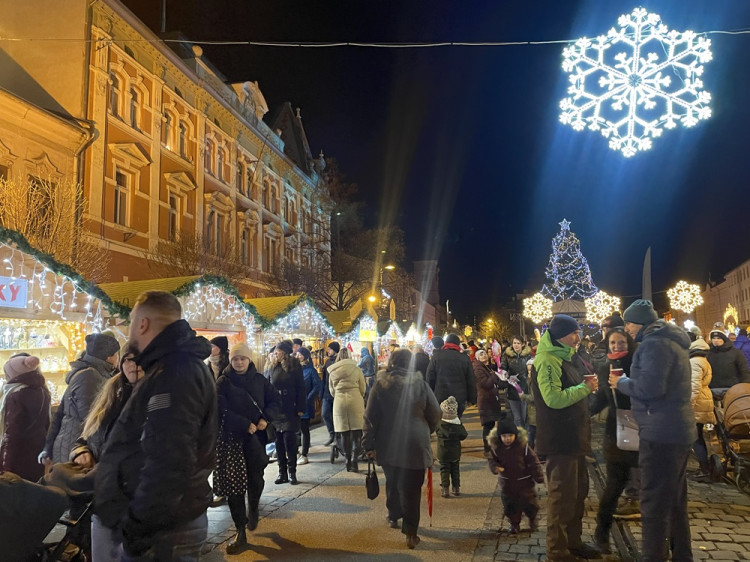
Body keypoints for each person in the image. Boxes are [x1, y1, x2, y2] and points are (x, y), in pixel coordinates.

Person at [94, 291, 217, 560]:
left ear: (143, 324)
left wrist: (135, 534)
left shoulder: (175, 372)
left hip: (163, 533)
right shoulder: (168, 367)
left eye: (130, 321)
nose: (129, 329)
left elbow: (169, 461)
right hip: (160, 528)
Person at [611, 299, 696, 562]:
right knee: (675, 502)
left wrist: (622, 382)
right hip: (677, 431)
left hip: (661, 434)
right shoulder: (670, 341)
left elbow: (650, 388)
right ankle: (682, 555)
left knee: (654, 505)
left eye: (629, 323)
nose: (626, 328)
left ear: (640, 323)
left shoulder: (654, 345)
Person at [530, 314, 600, 561]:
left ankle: (573, 541)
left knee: (578, 493)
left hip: (575, 438)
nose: (578, 337)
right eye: (573, 333)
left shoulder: (568, 356)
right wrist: (584, 389)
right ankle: (557, 550)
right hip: (560, 440)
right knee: (562, 497)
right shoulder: (548, 359)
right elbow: (553, 398)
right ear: (560, 334)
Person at [70, 345, 144, 562]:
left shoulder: (159, 400)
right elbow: (85, 436)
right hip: (103, 500)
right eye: (128, 360)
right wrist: (80, 451)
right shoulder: (112, 394)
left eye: (139, 360)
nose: (133, 365)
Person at [363, 348, 441, 550]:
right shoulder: (421, 385)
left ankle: (393, 514)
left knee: (393, 480)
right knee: (412, 490)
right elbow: (436, 413)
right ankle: (411, 532)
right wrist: (426, 430)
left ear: (391, 363)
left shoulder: (380, 385)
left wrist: (368, 444)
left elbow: (370, 417)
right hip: (415, 443)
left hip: (388, 443)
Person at [215, 342, 280, 554]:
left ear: (249, 359)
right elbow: (219, 410)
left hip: (256, 441)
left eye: (242, 358)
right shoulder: (223, 382)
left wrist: (265, 419)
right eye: (235, 359)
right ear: (230, 360)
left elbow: (274, 401)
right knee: (235, 487)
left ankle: (253, 506)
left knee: (256, 478)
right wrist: (244, 424)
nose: (239, 362)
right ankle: (240, 531)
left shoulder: (259, 380)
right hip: (232, 440)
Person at [588, 327, 639, 554]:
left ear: (629, 344)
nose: (617, 347)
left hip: (642, 426)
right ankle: (602, 532)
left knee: (650, 482)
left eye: (621, 343)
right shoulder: (605, 367)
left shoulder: (638, 363)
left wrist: (624, 385)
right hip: (617, 429)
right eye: (613, 343)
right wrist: (582, 412)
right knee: (615, 483)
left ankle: (660, 542)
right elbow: (601, 398)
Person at [41, 332, 120, 464]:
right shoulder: (90, 376)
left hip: (77, 445)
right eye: (117, 354)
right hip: (76, 449)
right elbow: (90, 418)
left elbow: (60, 413)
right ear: (109, 356)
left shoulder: (95, 373)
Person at [487, 417, 544, 534]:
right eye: (504, 436)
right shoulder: (496, 449)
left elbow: (534, 462)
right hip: (507, 483)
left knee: (529, 503)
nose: (507, 439)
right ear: (499, 437)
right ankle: (514, 524)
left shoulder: (523, 447)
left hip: (524, 483)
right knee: (510, 505)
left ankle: (532, 519)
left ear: (515, 435)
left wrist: (538, 476)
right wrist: (495, 467)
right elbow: (492, 460)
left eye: (510, 435)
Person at [0, 354, 50, 482]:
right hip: (37, 449)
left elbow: (12, 432)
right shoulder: (43, 391)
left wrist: (6, 464)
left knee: (13, 490)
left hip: (17, 453)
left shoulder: (14, 395)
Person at [269, 340, 305, 486]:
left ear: (283, 352)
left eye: (277, 351)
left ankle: (292, 472)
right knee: (278, 443)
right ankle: (281, 472)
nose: (275, 353)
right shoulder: (272, 366)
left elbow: (301, 387)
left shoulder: (294, 366)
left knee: (289, 441)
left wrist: (300, 408)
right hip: (276, 409)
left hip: (290, 407)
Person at [328, 347, 366, 472]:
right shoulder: (356, 369)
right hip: (355, 400)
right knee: (356, 432)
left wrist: (339, 394)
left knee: (343, 432)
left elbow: (332, 390)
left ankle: (347, 460)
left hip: (339, 402)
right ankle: (355, 460)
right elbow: (362, 388)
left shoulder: (333, 371)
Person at [687, 328, 715, 483]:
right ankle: (703, 468)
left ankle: (704, 469)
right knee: (696, 436)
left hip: (697, 404)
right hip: (702, 401)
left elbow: (693, 387)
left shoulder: (695, 361)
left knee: (695, 437)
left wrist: (688, 406)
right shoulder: (700, 358)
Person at [426, 333, 476, 418]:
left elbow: (430, 377)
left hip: (440, 396)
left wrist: (430, 395)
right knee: (456, 420)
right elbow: (470, 379)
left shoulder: (436, 356)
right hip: (459, 397)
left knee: (442, 422)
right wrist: (472, 399)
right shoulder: (464, 358)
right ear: (458, 344)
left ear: (445, 343)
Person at [473, 348, 504, 456]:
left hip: (490, 399)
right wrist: (495, 375)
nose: (484, 355)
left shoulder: (486, 367)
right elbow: (485, 383)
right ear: (477, 357)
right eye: (481, 354)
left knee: (490, 424)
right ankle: (487, 449)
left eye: (485, 353)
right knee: (488, 425)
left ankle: (490, 447)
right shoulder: (478, 369)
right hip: (485, 400)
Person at [436, 396, 468, 497]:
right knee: (455, 469)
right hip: (455, 452)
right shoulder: (458, 425)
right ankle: (456, 488)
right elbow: (464, 435)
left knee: (444, 469)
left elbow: (435, 431)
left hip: (442, 452)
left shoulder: (439, 424)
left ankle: (445, 489)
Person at [500, 336, 532, 429]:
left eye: (518, 343)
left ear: (522, 344)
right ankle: (520, 436)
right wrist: (505, 374)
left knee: (526, 416)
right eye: (514, 343)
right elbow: (503, 368)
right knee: (517, 417)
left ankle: (527, 438)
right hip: (512, 389)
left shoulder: (528, 355)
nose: (516, 345)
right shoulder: (507, 355)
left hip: (526, 388)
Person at [297, 346, 321, 466]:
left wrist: (308, 399)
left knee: (304, 429)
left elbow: (317, 386)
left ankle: (304, 453)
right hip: (294, 404)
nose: (298, 356)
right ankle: (296, 451)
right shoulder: (295, 369)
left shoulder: (311, 371)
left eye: (300, 354)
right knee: (295, 429)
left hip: (305, 405)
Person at [707, 326, 750, 392]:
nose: (716, 340)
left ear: (724, 339)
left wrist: (745, 387)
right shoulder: (708, 353)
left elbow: (744, 370)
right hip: (712, 388)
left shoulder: (735, 352)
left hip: (733, 388)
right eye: (713, 338)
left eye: (718, 338)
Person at [320, 341, 339, 446]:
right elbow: (324, 378)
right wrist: (322, 392)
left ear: (335, 350)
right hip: (327, 393)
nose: (328, 350)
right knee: (325, 413)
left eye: (330, 349)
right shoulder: (327, 362)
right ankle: (332, 434)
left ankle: (337, 435)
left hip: (336, 394)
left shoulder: (339, 361)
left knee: (337, 415)